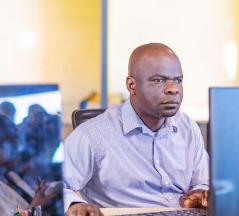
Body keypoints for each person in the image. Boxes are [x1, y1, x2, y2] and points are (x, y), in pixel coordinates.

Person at [64, 43, 209, 215]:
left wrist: (200, 193)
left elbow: (202, 182)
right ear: (132, 85)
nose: (173, 89)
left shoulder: (188, 128)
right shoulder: (93, 135)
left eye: (178, 80)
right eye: (158, 80)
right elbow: (55, 187)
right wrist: (74, 205)